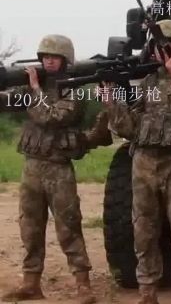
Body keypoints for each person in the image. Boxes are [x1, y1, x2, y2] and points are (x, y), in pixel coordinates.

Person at [0, 34, 111, 304]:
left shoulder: (73, 90)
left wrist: (35, 90)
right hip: (32, 166)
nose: (49, 61)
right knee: (30, 226)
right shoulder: (30, 88)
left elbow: (52, 117)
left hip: (58, 168)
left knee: (68, 225)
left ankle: (83, 285)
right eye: (45, 57)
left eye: (54, 57)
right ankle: (31, 283)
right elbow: (6, 103)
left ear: (65, 60)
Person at [102, 20, 171, 304]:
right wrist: (111, 102)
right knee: (144, 229)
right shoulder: (148, 84)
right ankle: (147, 291)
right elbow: (130, 127)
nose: (163, 51)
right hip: (144, 162)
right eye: (158, 46)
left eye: (170, 46)